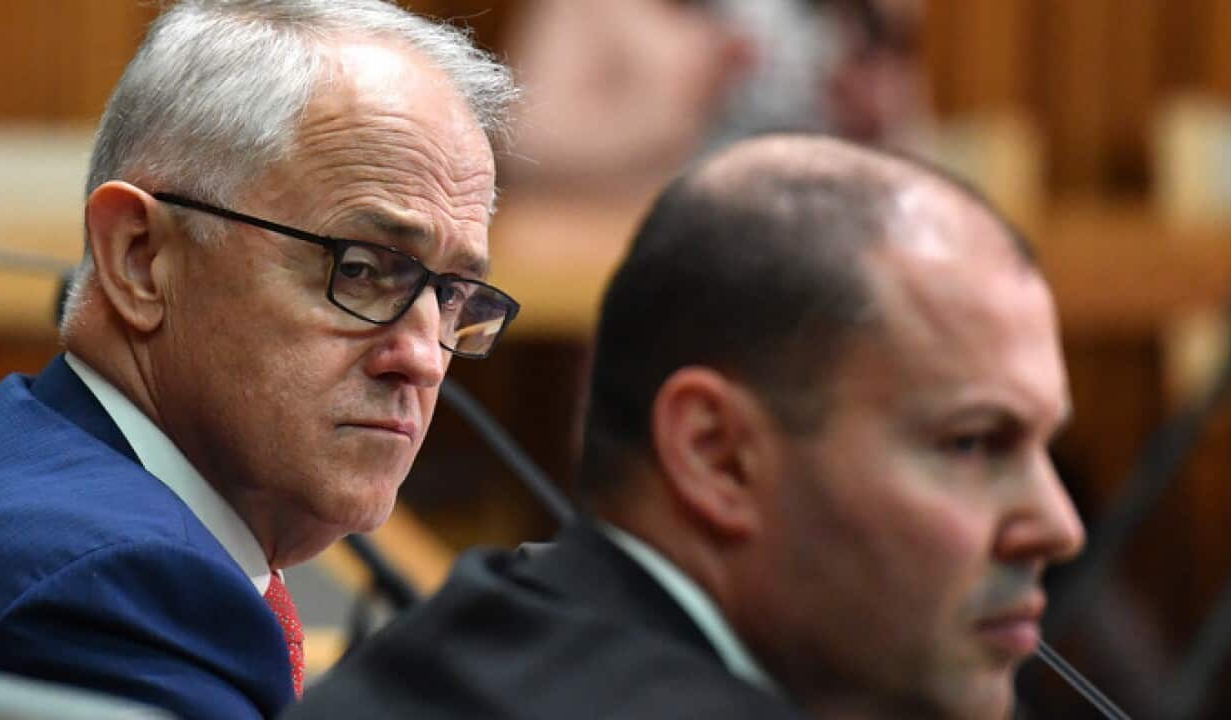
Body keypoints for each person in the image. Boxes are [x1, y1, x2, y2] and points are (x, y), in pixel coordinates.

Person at [291, 134, 1086, 719]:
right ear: (717, 453)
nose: (1058, 527)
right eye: (974, 443)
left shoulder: (474, 639)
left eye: (1044, 447)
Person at [0, 2, 517, 718]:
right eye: (359, 269)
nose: (420, 357)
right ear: (140, 258)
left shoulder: (32, 446)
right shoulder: (117, 591)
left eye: (452, 295)